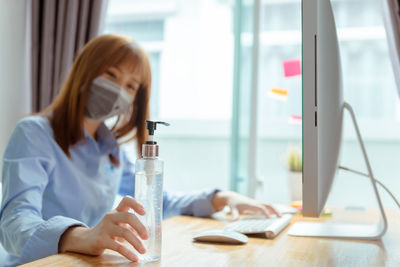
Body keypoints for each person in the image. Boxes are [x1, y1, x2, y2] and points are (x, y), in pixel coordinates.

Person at [0, 34, 279, 266]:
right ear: (84, 70)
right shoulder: (34, 133)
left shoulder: (109, 150)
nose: (118, 90)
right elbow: (14, 223)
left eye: (131, 86)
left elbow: (159, 202)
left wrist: (221, 197)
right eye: (111, 74)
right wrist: (81, 236)